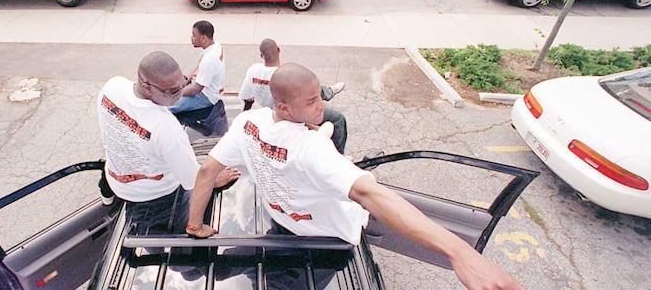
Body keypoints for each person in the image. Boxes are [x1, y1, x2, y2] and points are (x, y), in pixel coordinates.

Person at [185, 63, 524, 290]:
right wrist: (460, 253)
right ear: (285, 107)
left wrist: (195, 226)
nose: (321, 104)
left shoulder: (250, 123)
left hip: (283, 222)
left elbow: (206, 171)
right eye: (312, 100)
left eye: (321, 96)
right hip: (326, 243)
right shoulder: (313, 150)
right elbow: (373, 196)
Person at [96, 51, 239, 233]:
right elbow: (192, 180)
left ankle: (106, 198)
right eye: (173, 91)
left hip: (116, 179)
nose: (181, 95)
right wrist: (213, 180)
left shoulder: (112, 87)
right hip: (154, 199)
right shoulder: (165, 127)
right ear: (147, 87)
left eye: (183, 83)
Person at [239, 38, 348, 153]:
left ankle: (327, 91)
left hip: (271, 110)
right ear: (278, 50)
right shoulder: (283, 76)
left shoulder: (253, 70)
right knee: (337, 119)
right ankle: (338, 155)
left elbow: (246, 96)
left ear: (261, 55)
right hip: (290, 113)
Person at [169, 21, 225, 118]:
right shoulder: (214, 47)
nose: (192, 38)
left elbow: (196, 90)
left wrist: (175, 95)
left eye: (194, 35)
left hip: (205, 97)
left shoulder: (210, 60)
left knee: (167, 106)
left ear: (203, 38)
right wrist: (185, 82)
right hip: (201, 86)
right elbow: (199, 67)